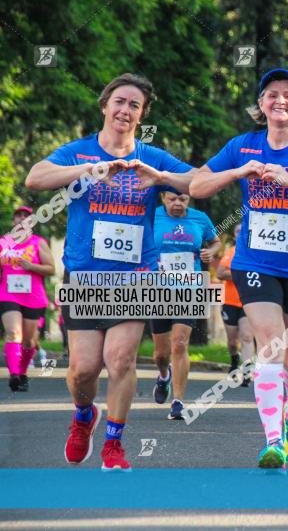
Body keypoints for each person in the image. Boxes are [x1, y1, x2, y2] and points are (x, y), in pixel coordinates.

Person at [25, 73, 194, 471]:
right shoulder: (80, 152)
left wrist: (162, 177)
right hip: (85, 275)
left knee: (120, 360)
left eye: (135, 105)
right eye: (120, 101)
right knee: (83, 370)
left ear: (141, 115)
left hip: (135, 274)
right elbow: (35, 177)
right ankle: (84, 416)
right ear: (105, 106)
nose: (125, 110)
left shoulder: (151, 157)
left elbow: (200, 180)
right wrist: (90, 171)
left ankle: (114, 445)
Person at [190, 67, 288, 470]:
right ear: (260, 106)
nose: (279, 100)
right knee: (271, 345)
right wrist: (238, 172)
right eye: (271, 94)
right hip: (254, 261)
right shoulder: (242, 146)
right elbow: (196, 186)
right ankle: (274, 440)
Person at [150, 192, 221, 419]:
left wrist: (211, 251)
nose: (178, 203)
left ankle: (178, 401)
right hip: (157, 289)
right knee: (161, 354)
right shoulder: (151, 216)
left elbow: (216, 241)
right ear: (162, 197)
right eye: (172, 199)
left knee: (179, 343)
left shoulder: (200, 219)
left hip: (189, 288)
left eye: (183, 199)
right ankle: (163, 376)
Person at [1, 205, 54, 392]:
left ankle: (22, 372)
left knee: (29, 341)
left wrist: (31, 266)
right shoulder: (4, 242)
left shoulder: (39, 243)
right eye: (18, 216)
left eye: (26, 217)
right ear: (14, 221)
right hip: (8, 294)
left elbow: (51, 269)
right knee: (14, 333)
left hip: (33, 296)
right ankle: (14, 375)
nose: (22, 219)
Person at [217, 223, 255, 385]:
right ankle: (234, 361)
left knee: (247, 336)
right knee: (233, 342)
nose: (241, 233)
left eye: (243, 230)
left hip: (249, 300)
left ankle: (247, 373)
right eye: (238, 231)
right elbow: (220, 273)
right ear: (234, 235)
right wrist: (240, 273)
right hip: (230, 302)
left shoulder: (255, 253)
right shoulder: (231, 252)